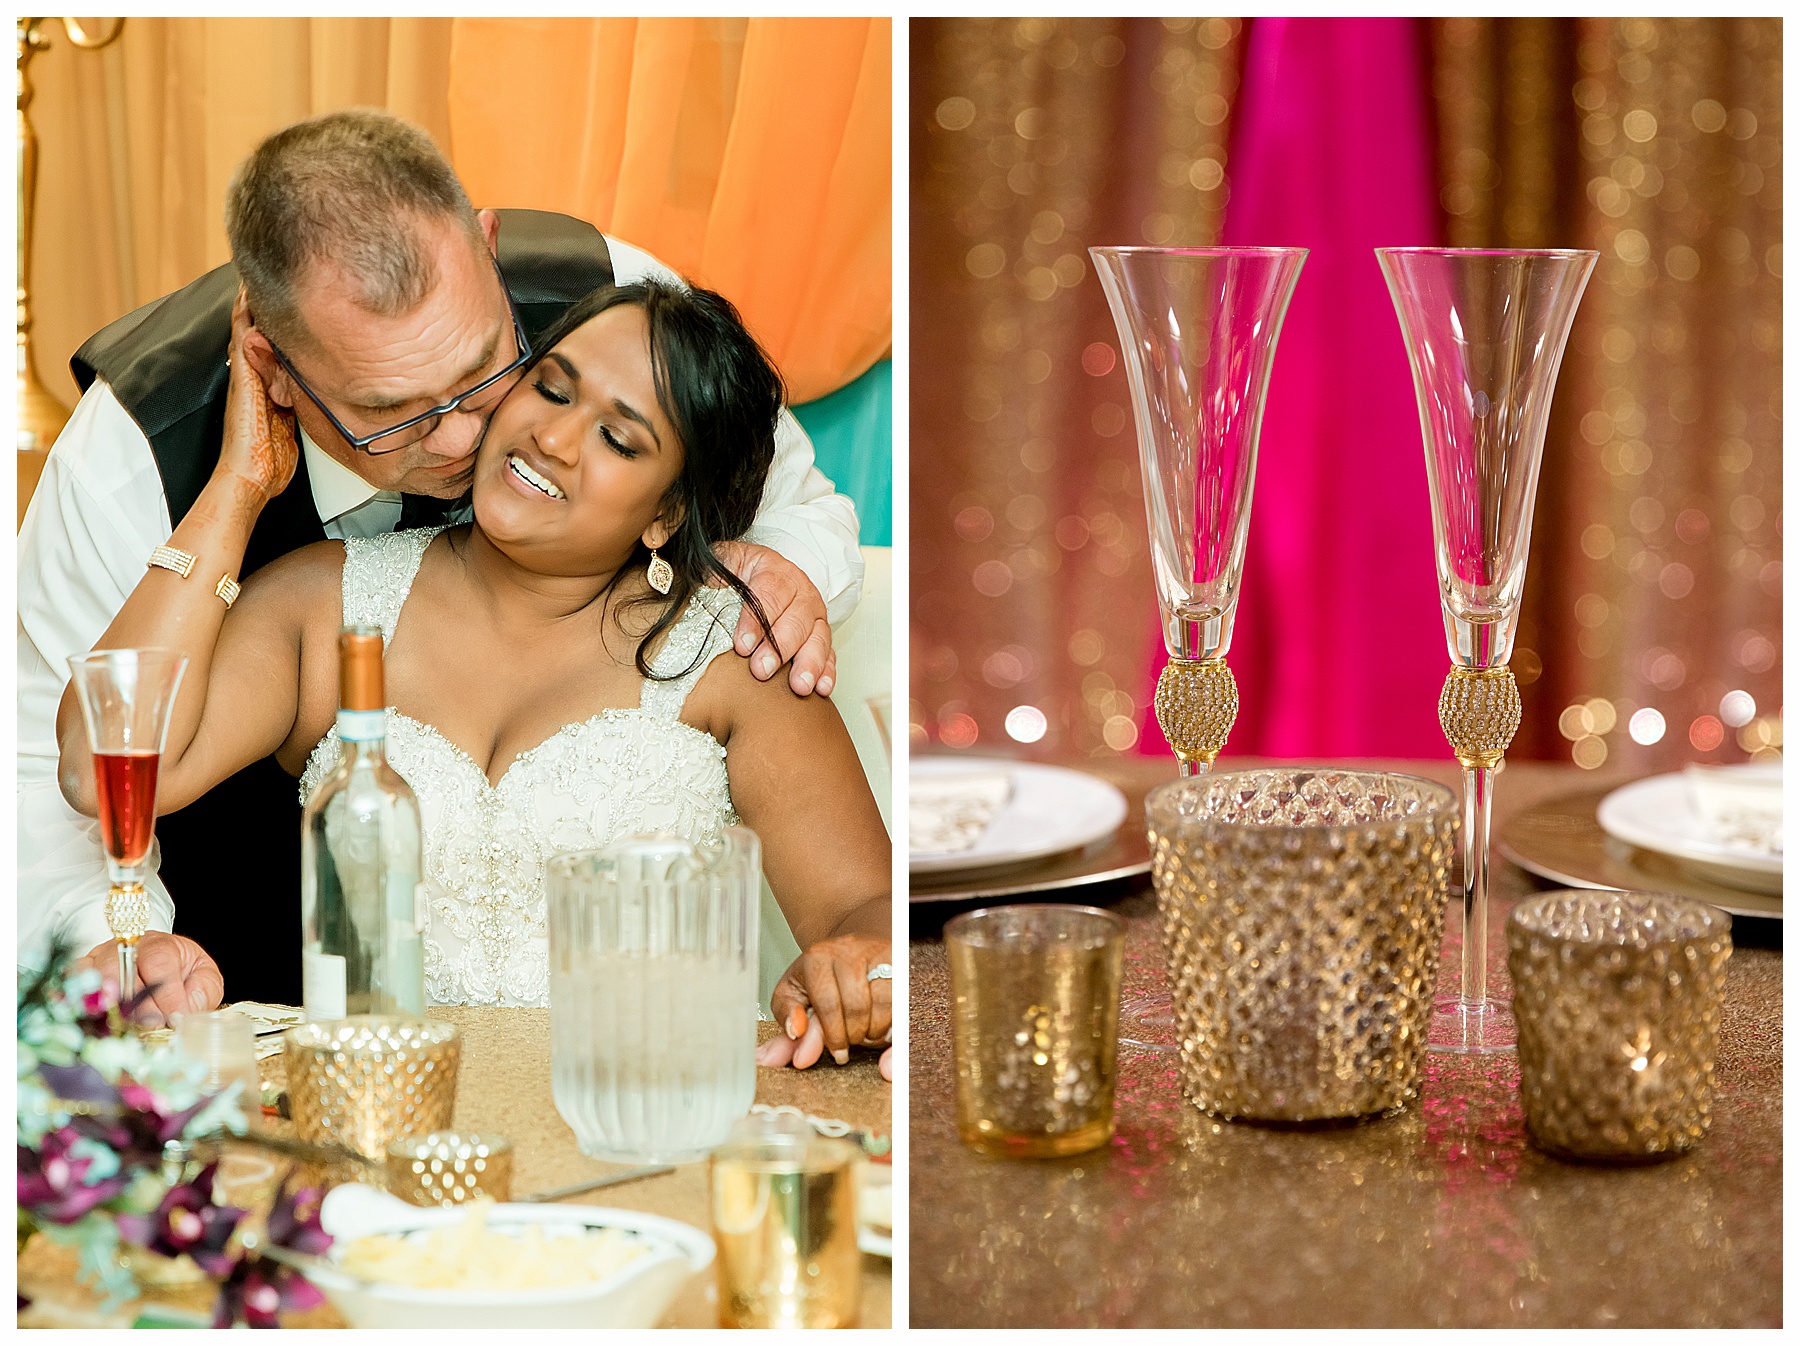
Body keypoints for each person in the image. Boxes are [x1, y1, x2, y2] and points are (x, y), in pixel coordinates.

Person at [19, 109, 865, 1010]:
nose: (478, 435)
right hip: (295, 1013)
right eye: (394, 413)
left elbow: (793, 502)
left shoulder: (617, 305)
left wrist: (756, 587)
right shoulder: (134, 462)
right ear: (272, 365)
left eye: (487, 369)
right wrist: (234, 493)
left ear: (488, 251)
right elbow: (60, 771)